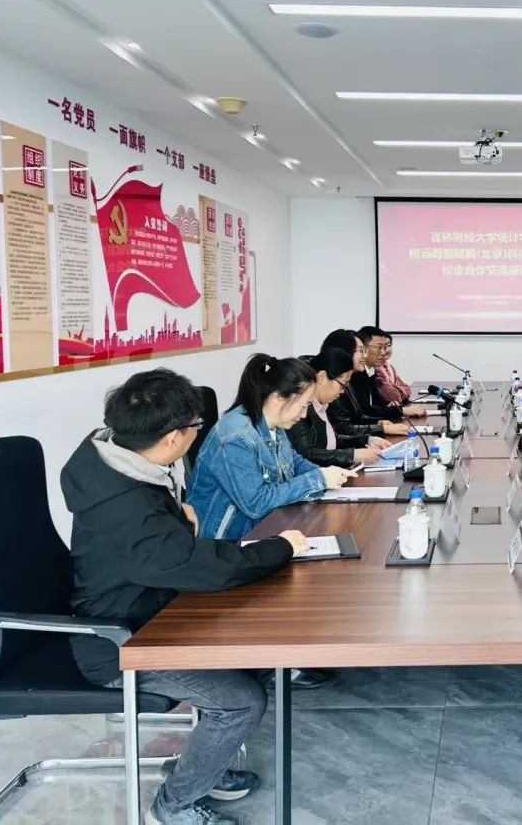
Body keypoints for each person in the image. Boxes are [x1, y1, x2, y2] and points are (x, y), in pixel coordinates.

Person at [64, 368, 308, 825]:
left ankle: (201, 763)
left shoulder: (116, 460)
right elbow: (201, 566)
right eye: (196, 426)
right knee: (242, 701)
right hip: (122, 642)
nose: (200, 433)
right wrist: (280, 548)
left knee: (255, 653)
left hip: (152, 606)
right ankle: (172, 806)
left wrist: (178, 519)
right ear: (173, 437)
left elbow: (171, 552)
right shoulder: (130, 512)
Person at [187, 354, 354, 542]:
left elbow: (294, 462)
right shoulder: (236, 437)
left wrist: (326, 474)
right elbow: (256, 503)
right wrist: (317, 480)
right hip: (227, 543)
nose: (304, 414)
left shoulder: (273, 422)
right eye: (303, 406)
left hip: (265, 527)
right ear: (278, 398)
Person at [288, 348, 390, 467]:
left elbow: (332, 441)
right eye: (342, 384)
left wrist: (366, 440)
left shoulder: (322, 404)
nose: (342, 392)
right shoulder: (300, 410)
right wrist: (352, 455)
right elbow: (306, 455)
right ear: (322, 377)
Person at [321, 329, 409, 437]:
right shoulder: (331, 383)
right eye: (360, 351)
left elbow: (358, 417)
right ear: (343, 352)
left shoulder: (347, 381)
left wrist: (378, 423)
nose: (365, 356)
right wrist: (381, 429)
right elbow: (343, 428)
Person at [354, 325, 427, 421]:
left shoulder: (371, 373)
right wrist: (402, 410)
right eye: (379, 347)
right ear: (364, 348)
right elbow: (365, 412)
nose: (383, 352)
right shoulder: (356, 375)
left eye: (384, 347)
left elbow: (379, 405)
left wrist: (395, 407)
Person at [372, 331, 412, 406]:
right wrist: (397, 389)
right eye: (381, 347)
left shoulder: (390, 368)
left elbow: (408, 389)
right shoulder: (375, 369)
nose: (386, 350)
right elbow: (393, 396)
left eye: (388, 345)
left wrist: (395, 389)